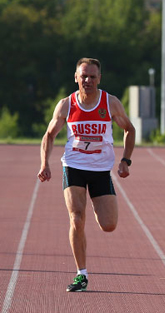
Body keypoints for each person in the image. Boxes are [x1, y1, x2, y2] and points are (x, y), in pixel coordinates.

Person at [37, 57, 136, 292]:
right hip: (74, 167)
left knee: (109, 225)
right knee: (77, 218)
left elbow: (129, 129)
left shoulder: (110, 103)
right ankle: (81, 274)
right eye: (84, 76)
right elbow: (49, 135)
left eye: (93, 76)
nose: (88, 80)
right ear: (76, 77)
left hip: (101, 170)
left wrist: (125, 160)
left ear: (99, 78)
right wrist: (45, 164)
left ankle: (94, 202)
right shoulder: (66, 105)